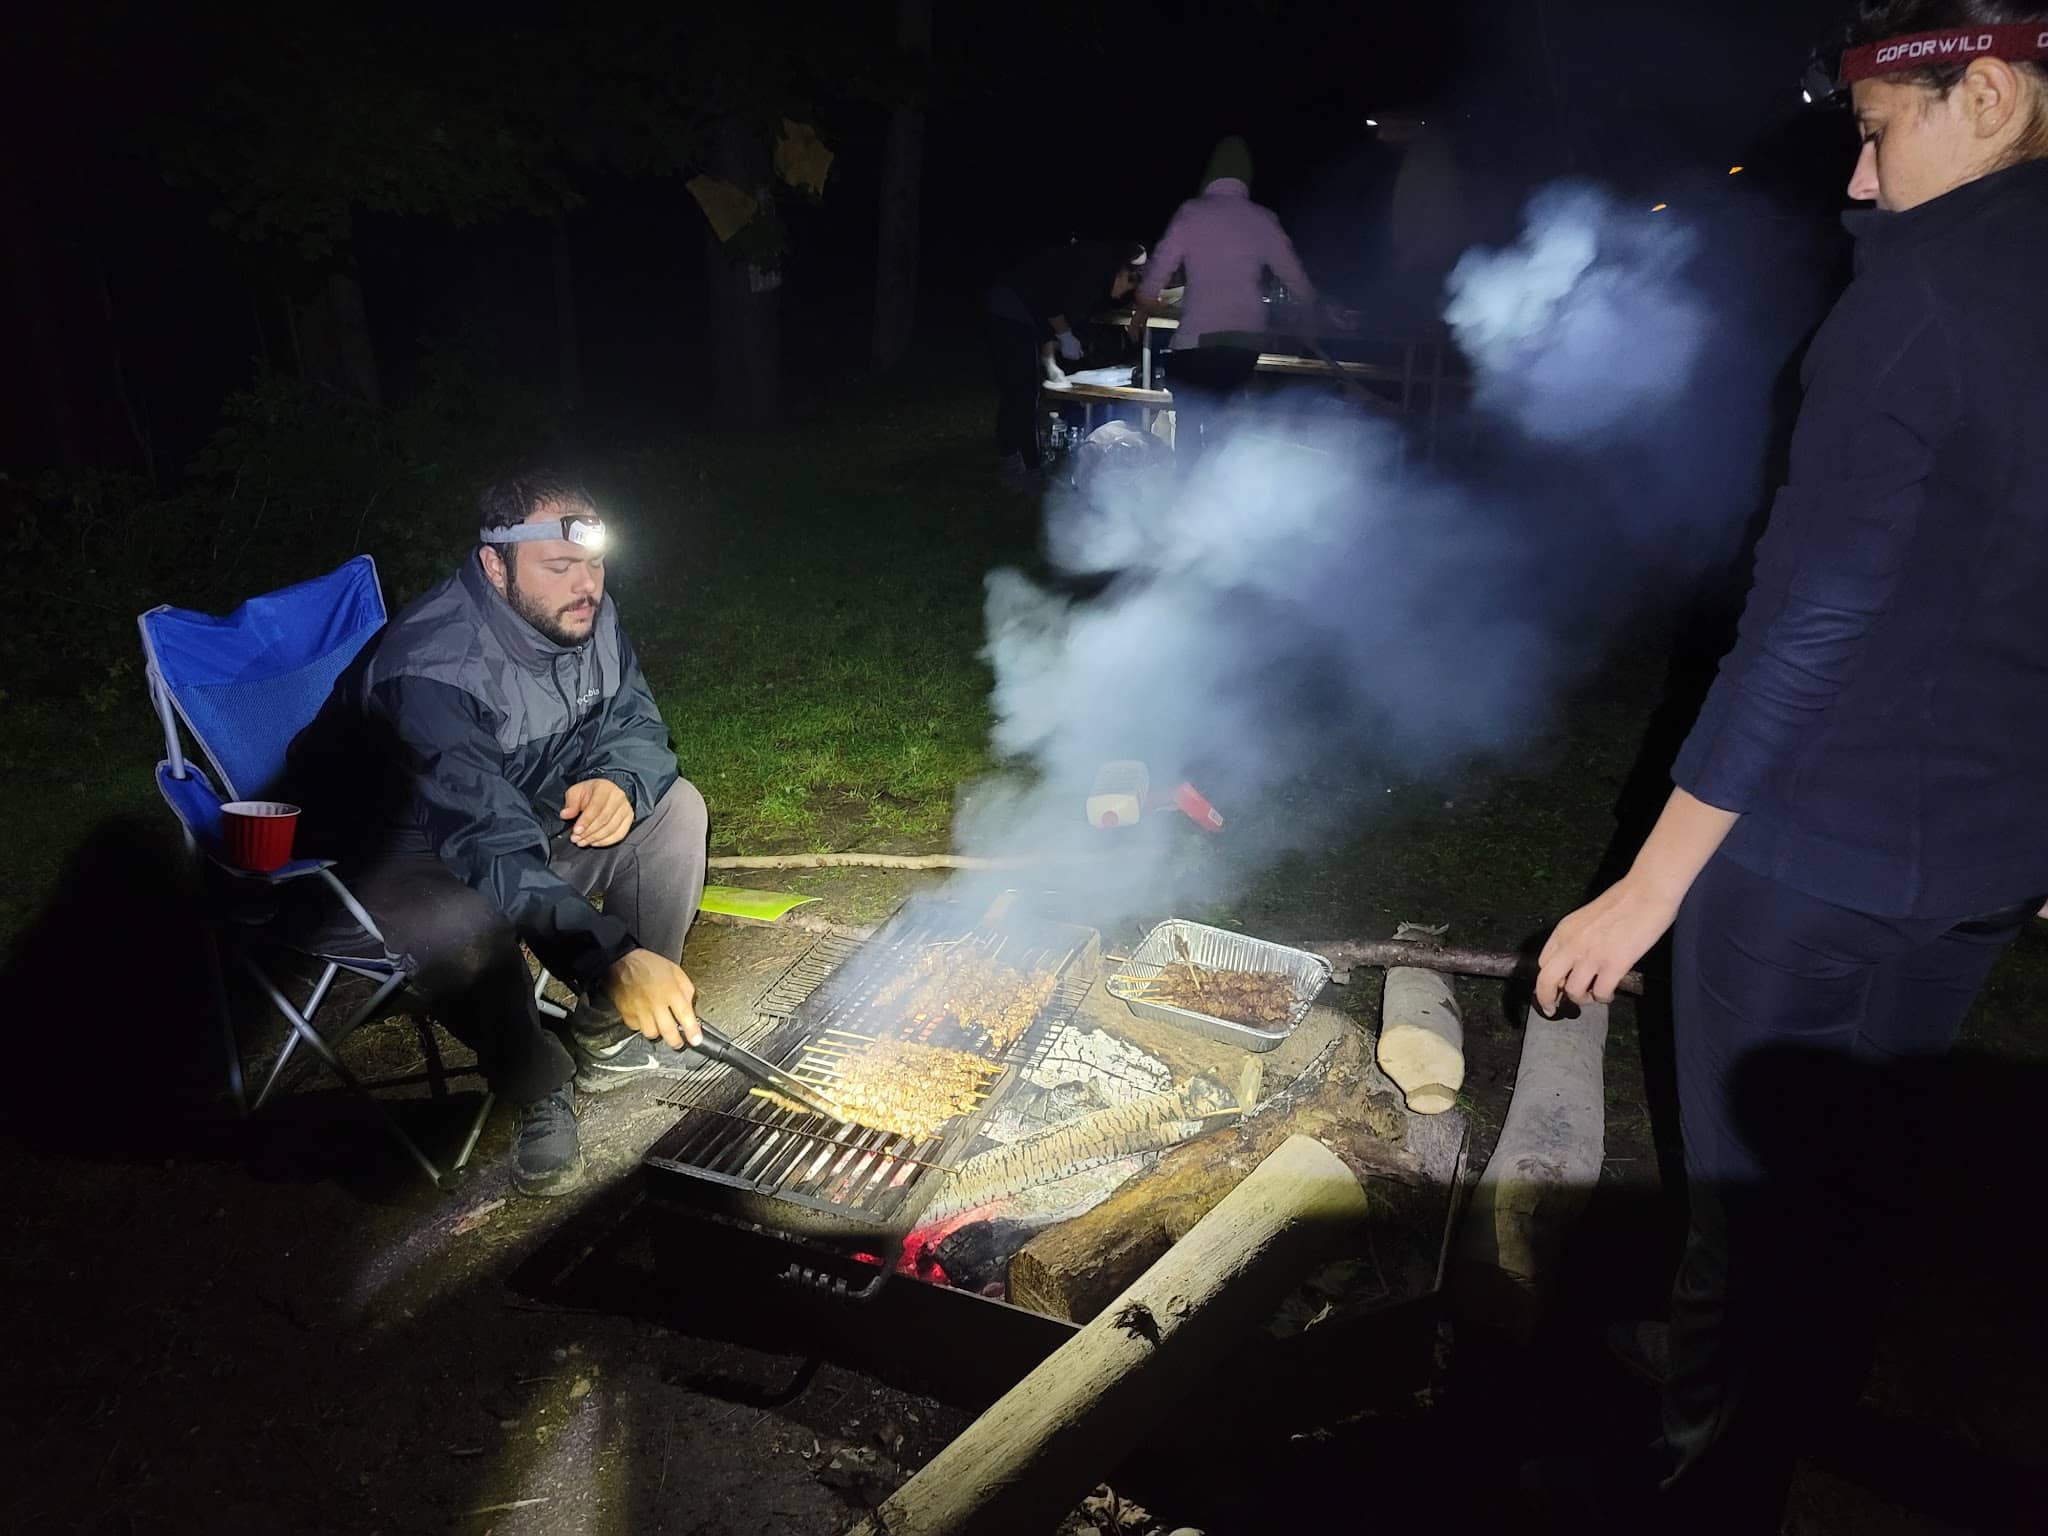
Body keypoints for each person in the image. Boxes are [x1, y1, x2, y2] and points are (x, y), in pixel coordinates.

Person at [1532, 3, 2048, 1523]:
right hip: (1983, 852)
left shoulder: (1923, 302)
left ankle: (1714, 1474)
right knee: (1864, 1171)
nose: (1860, 185)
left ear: (1996, 96)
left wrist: (1649, 886)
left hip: (1812, 850)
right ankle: (1758, 1381)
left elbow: (1812, 621)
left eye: (1881, 137)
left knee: (1754, 1203)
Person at [285, 472, 708, 1197]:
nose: (587, 585)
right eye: (560, 566)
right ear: (494, 563)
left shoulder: (582, 615)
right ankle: (537, 1080)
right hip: (389, 868)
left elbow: (635, 725)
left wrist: (619, 779)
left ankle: (603, 1035)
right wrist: (607, 953)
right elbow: (480, 838)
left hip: (510, 818)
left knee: (675, 809)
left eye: (596, 562)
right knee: (462, 912)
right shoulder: (431, 668)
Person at [1132, 136, 1330, 458]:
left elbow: (1160, 269)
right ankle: (1223, 492)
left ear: (1210, 173)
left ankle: (1186, 492)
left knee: (1190, 422)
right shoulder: (1263, 218)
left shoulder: (1192, 212)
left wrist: (1143, 304)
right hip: (1245, 343)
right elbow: (1292, 273)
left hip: (1197, 341)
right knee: (1225, 423)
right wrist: (1313, 303)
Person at [984, 239, 1148, 481]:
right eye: (1129, 285)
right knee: (1023, 392)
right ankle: (1031, 469)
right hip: (1010, 307)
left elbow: (1049, 320)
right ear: (1123, 273)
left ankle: (1012, 456)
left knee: (1019, 391)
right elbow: (1049, 303)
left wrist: (1050, 363)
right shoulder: (1090, 275)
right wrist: (1065, 335)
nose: (1123, 294)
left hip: (1021, 312)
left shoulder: (1094, 284)